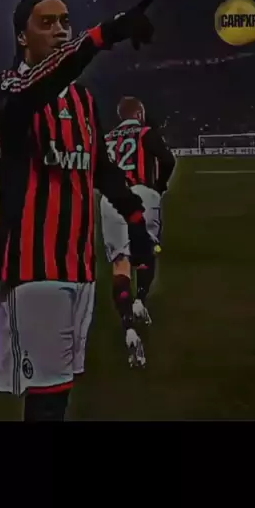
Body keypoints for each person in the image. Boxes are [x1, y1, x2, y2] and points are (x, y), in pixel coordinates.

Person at [0, 0, 157, 421]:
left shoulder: (82, 101)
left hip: (79, 265)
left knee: (60, 392)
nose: (60, 30)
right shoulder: (7, 88)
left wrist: (135, 219)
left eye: (65, 21)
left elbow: (101, 168)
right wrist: (102, 35)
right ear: (22, 37)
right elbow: (36, 89)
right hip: (32, 264)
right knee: (48, 395)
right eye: (47, 23)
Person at [101, 96, 175, 333]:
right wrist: (160, 186)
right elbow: (168, 160)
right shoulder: (146, 133)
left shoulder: (107, 138)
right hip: (142, 193)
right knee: (146, 251)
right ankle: (140, 300)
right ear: (140, 114)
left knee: (120, 263)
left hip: (111, 200)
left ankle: (128, 326)